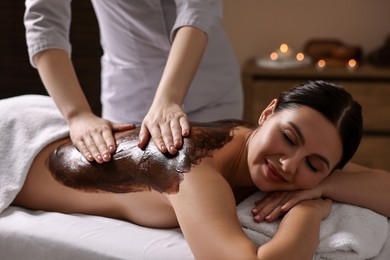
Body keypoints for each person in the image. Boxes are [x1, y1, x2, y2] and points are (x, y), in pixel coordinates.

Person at [5, 81, 390, 259]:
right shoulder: (192, 167)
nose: (288, 164)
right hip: (16, 141)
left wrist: (319, 184)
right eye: (288, 137)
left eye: (314, 164)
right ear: (267, 113)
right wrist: (310, 209)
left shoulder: (259, 145)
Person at [24, 0, 243, 164]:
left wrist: (169, 99)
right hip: (129, 103)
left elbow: (197, 8)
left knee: (223, 177)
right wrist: (77, 115)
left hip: (213, 89)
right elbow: (44, 19)